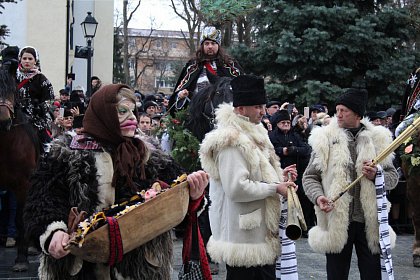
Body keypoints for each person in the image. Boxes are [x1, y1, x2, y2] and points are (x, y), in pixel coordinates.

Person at [24, 84, 210, 279]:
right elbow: (41, 202)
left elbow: (175, 209)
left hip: (139, 268)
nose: (132, 117)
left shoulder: (150, 155)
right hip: (78, 267)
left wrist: (193, 194)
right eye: (122, 111)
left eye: (133, 110)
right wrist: (53, 233)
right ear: (103, 114)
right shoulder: (65, 153)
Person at [199, 75, 298, 280]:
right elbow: (237, 188)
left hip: (258, 234)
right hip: (243, 237)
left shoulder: (255, 131)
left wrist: (281, 176)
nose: (263, 111)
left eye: (262, 106)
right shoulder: (231, 139)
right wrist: (275, 188)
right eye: (257, 106)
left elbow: (260, 172)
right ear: (241, 109)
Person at [302, 88, 398, 279]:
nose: (338, 114)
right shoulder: (325, 139)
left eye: (343, 110)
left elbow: (392, 177)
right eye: (337, 109)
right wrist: (319, 196)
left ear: (357, 114)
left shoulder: (379, 139)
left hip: (369, 222)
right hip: (337, 218)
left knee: (372, 274)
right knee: (336, 275)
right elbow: (309, 177)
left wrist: (376, 176)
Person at [168, 26, 243, 115]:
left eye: (213, 43)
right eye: (206, 43)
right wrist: (181, 95)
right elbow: (180, 90)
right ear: (202, 46)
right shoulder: (193, 66)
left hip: (226, 113)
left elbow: (242, 86)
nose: (210, 46)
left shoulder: (230, 65)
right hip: (198, 112)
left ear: (218, 45)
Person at [269, 110, 313, 234]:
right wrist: (282, 151)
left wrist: (293, 150)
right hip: (279, 173)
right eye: (283, 122)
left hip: (296, 172)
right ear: (277, 124)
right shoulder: (272, 136)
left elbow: (306, 149)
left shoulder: (295, 135)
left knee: (303, 198)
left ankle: (305, 226)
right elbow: (269, 151)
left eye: (288, 122)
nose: (286, 124)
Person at [16, 46, 54, 146]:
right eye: (24, 58)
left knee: (46, 145)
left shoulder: (41, 79)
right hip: (15, 116)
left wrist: (39, 109)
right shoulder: (13, 77)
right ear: (20, 59)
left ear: (35, 61)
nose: (27, 61)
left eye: (30, 59)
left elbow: (49, 100)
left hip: (36, 118)